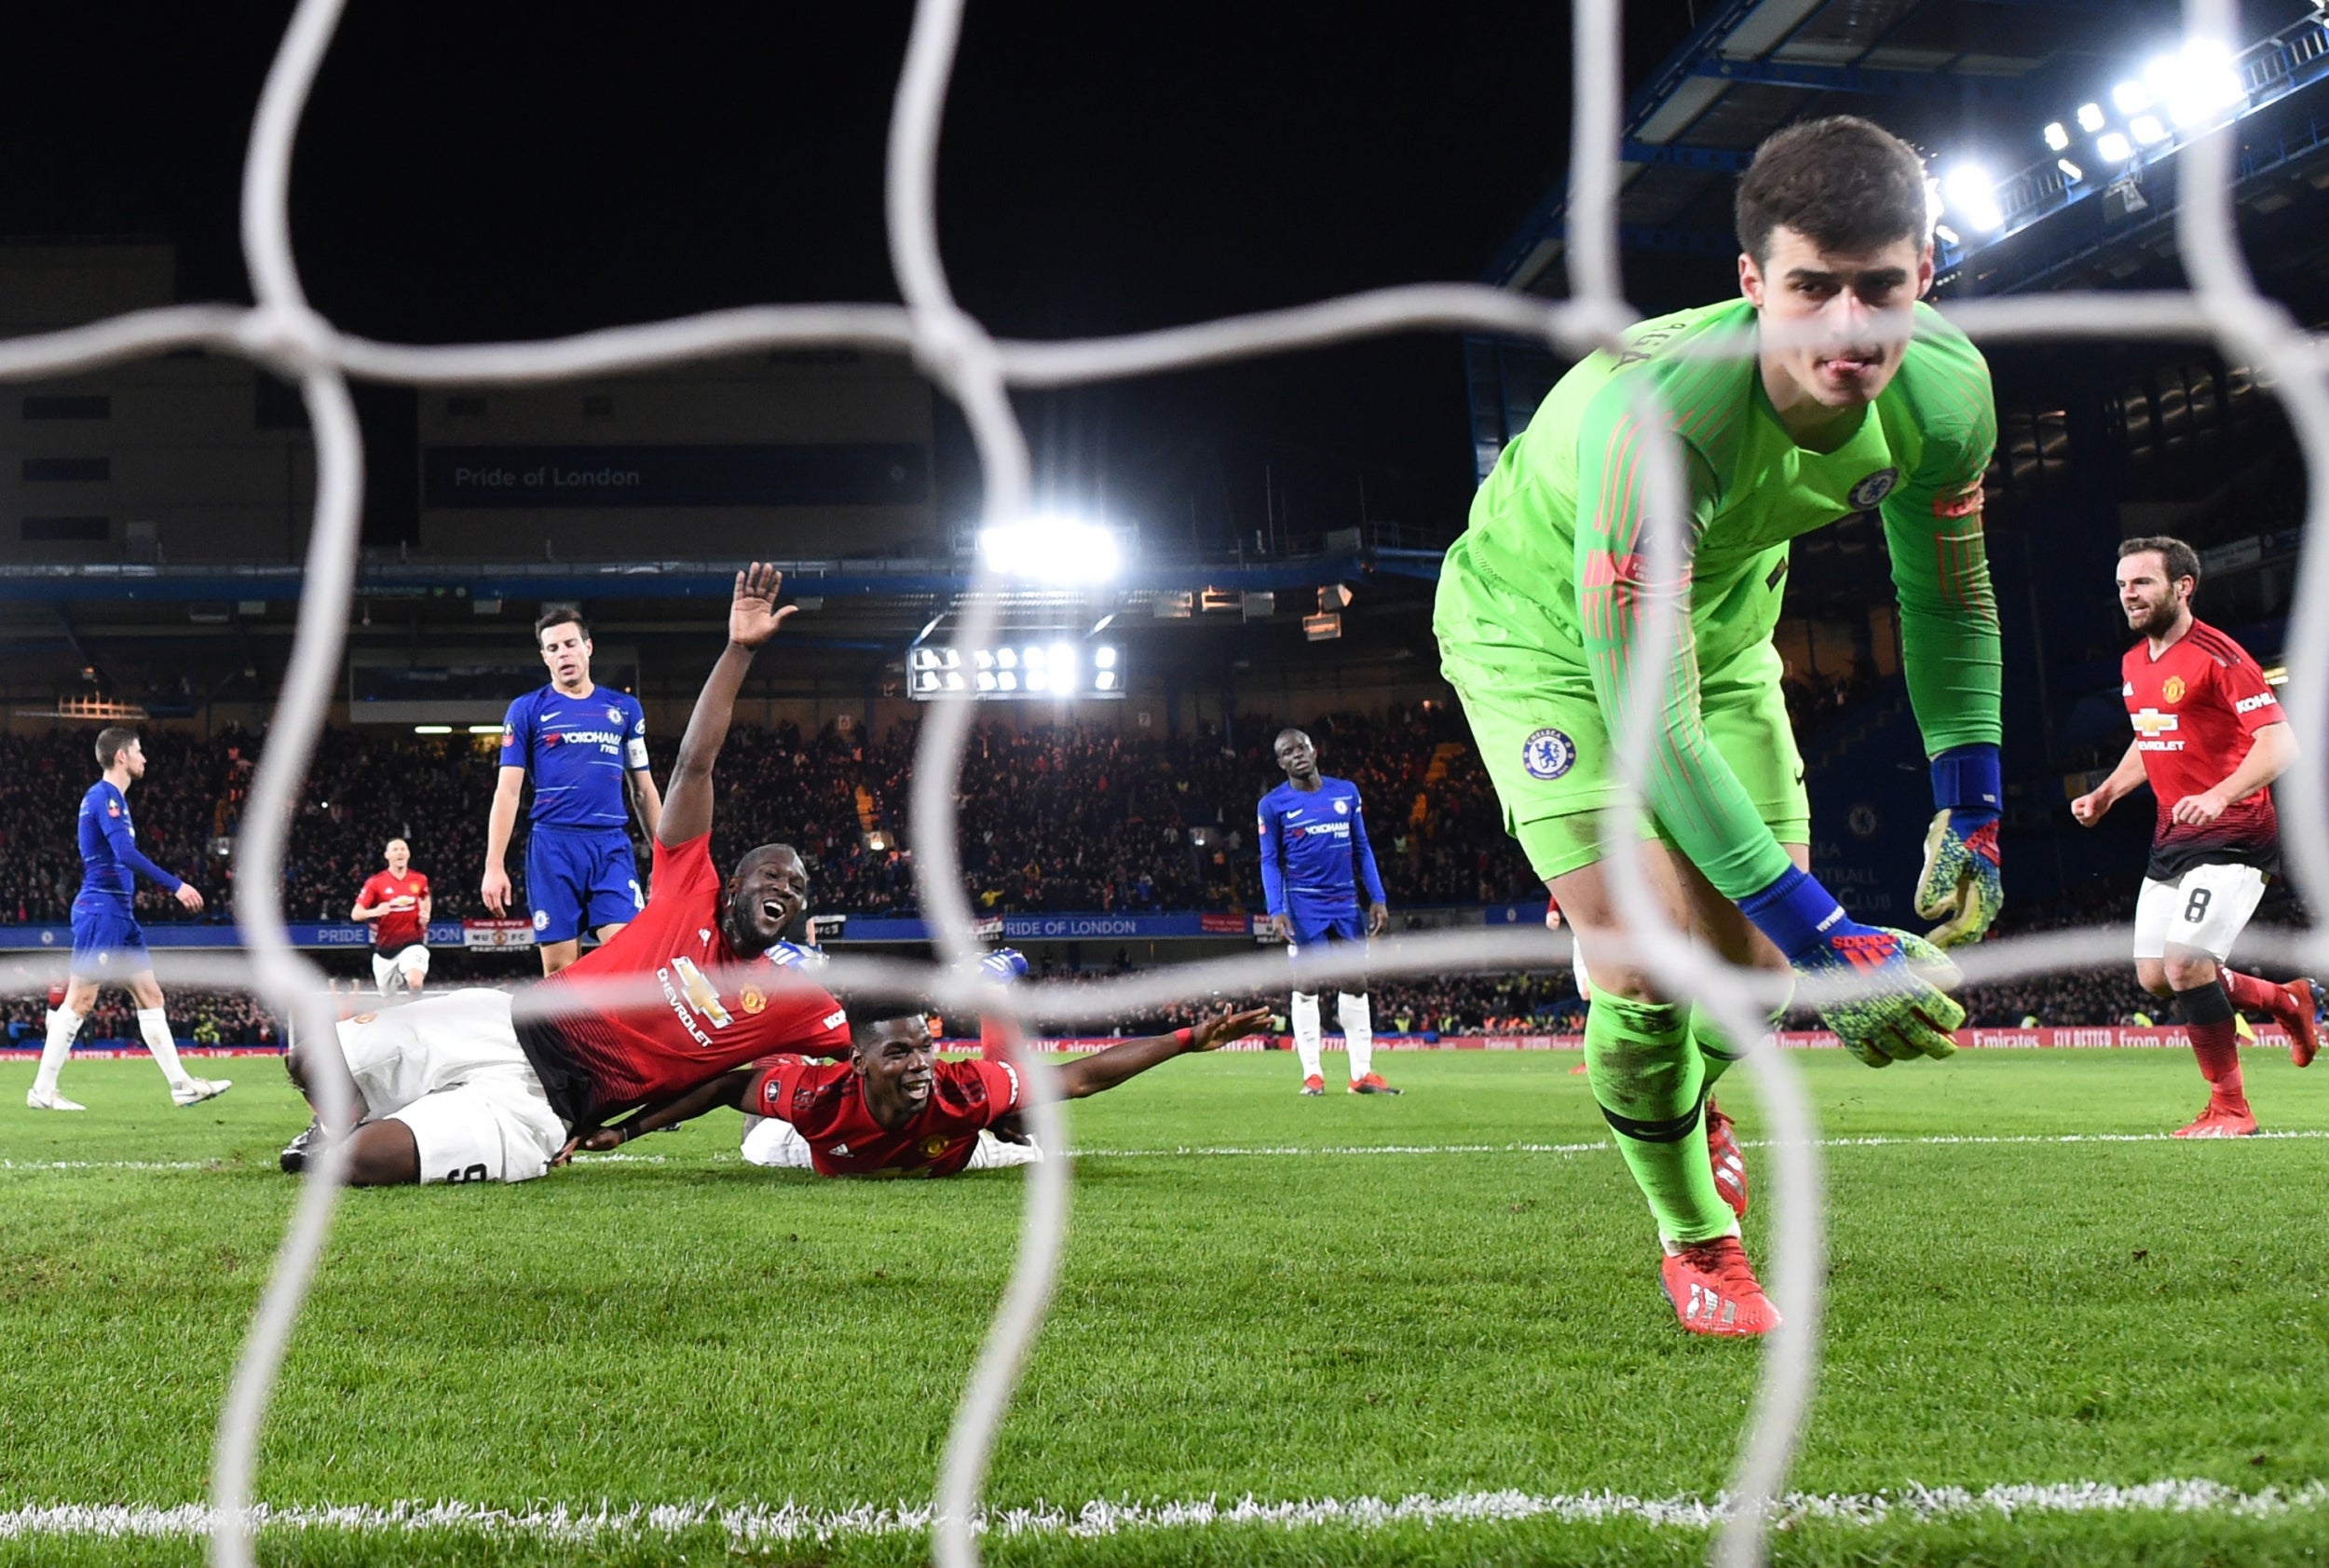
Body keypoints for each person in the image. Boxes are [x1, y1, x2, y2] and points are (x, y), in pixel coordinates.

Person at [1432, 116, 2001, 1337]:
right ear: (1753, 286)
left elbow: (1949, 595)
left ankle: (1686, 1052)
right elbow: (1650, 720)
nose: (1848, 329)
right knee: (1644, 965)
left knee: (1746, 991)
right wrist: (1832, 930)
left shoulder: (1948, 396)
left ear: (1928, 273)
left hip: (1721, 642)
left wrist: (1978, 800)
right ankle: (1701, 1242)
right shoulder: (1665, 421)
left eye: (1881, 289)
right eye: (1811, 290)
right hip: (1537, 640)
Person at [281, 565, 851, 1185]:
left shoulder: (785, 999)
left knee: (359, 1164)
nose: (785, 889)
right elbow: (691, 767)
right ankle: (369, 1114)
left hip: (548, 1102)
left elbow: (861, 1046)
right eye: (771, 876)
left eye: (796, 888)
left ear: (588, 648)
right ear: (733, 884)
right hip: (503, 1016)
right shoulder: (687, 885)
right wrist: (738, 652)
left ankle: (413, 1121)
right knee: (307, 1059)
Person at [2071, 537, 2319, 1136]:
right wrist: (2109, 791)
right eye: (2123, 585)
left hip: (2235, 835)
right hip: (2172, 838)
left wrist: (2220, 794)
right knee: (2157, 976)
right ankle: (2287, 1001)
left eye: (2143, 584)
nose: (2129, 595)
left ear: (2183, 587)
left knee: (2186, 964)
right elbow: (2151, 737)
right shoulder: (2135, 664)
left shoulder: (2219, 655)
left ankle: (2232, 1107)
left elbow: (2281, 743)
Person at [558, 1005, 1273, 1179]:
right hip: (808, 1150)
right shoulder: (814, 1092)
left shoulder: (962, 1088)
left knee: (1035, 1135)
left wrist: (1185, 1039)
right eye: (898, 1052)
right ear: (860, 1062)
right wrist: (625, 1131)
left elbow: (1080, 1076)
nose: (921, 1061)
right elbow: (719, 1084)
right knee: (757, 1143)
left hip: (951, 1149)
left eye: (925, 1046)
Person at [27, 727, 228, 1111]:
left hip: (120, 913)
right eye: (138, 751)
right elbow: (124, 852)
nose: (144, 758)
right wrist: (175, 885)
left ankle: (181, 1085)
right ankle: (42, 1089)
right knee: (82, 999)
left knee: (150, 995)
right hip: (101, 910)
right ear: (122, 756)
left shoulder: (113, 798)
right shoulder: (105, 797)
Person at [482, 604, 664, 975]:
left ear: (588, 647)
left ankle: (616, 1033)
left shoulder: (624, 709)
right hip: (553, 848)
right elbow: (508, 792)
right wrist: (493, 865)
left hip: (610, 845)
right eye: (553, 648)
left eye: (569, 644)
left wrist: (668, 859)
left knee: (627, 957)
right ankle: (570, 1036)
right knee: (562, 972)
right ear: (544, 657)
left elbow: (643, 790)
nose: (563, 653)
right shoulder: (526, 710)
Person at [1258, 728, 1399, 1096]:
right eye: (1288, 752)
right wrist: (1276, 909)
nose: (1297, 755)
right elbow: (1270, 860)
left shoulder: (1346, 792)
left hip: (1346, 903)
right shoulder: (1273, 805)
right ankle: (1313, 1075)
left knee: (1355, 982)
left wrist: (1378, 897)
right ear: (1281, 763)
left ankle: (1362, 1075)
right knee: (1307, 983)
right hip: (1303, 906)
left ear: (1314, 750)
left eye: (1301, 747)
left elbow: (1363, 847)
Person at [352, 839, 432, 995]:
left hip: (412, 942)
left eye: (403, 849)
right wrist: (375, 912)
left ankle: (417, 1013)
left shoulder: (420, 879)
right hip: (385, 949)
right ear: (387, 855)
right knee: (389, 1000)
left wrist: (426, 914)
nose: (400, 852)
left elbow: (424, 897)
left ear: (408, 854)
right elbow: (356, 914)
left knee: (415, 981)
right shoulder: (375, 882)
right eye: (395, 849)